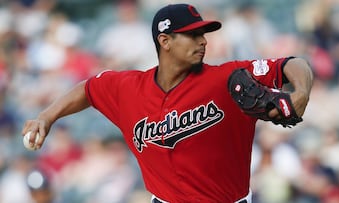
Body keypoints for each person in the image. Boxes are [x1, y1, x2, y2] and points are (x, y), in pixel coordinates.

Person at [22, 3, 313, 203]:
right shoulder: (128, 88)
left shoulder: (226, 77)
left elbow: (292, 63)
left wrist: (300, 93)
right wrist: (47, 117)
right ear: (165, 41)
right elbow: (88, 88)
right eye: (193, 34)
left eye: (203, 34)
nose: (203, 41)